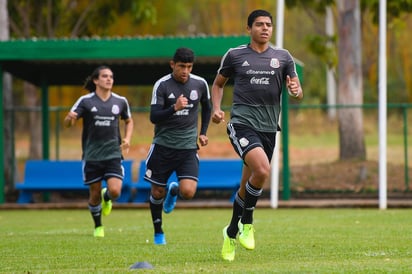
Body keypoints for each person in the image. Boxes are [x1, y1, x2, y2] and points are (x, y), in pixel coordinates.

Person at [211, 9, 303, 261]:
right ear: (249, 28)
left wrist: (295, 89)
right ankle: (248, 223)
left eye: (269, 25)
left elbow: (297, 90)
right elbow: (218, 84)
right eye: (260, 24)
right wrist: (217, 109)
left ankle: (230, 232)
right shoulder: (235, 55)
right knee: (262, 170)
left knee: (246, 185)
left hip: (269, 128)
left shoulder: (283, 57)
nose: (265, 29)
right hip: (241, 124)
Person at [144, 47, 211, 245]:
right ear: (172, 64)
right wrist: (174, 108)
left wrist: (204, 132)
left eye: (189, 67)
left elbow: (207, 108)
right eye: (181, 66)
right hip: (163, 147)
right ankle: (158, 231)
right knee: (157, 192)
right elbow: (153, 117)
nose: (185, 71)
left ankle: (174, 192)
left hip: (188, 148)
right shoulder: (162, 85)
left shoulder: (200, 84)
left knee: (189, 192)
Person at [64, 65, 134, 237]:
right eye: (104, 76)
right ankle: (98, 226)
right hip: (92, 155)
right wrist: (69, 119)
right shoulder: (85, 101)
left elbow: (129, 121)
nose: (109, 79)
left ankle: (108, 197)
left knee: (116, 190)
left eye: (111, 76)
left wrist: (127, 139)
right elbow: (67, 123)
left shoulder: (120, 101)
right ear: (96, 80)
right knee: (94, 194)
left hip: (113, 154)